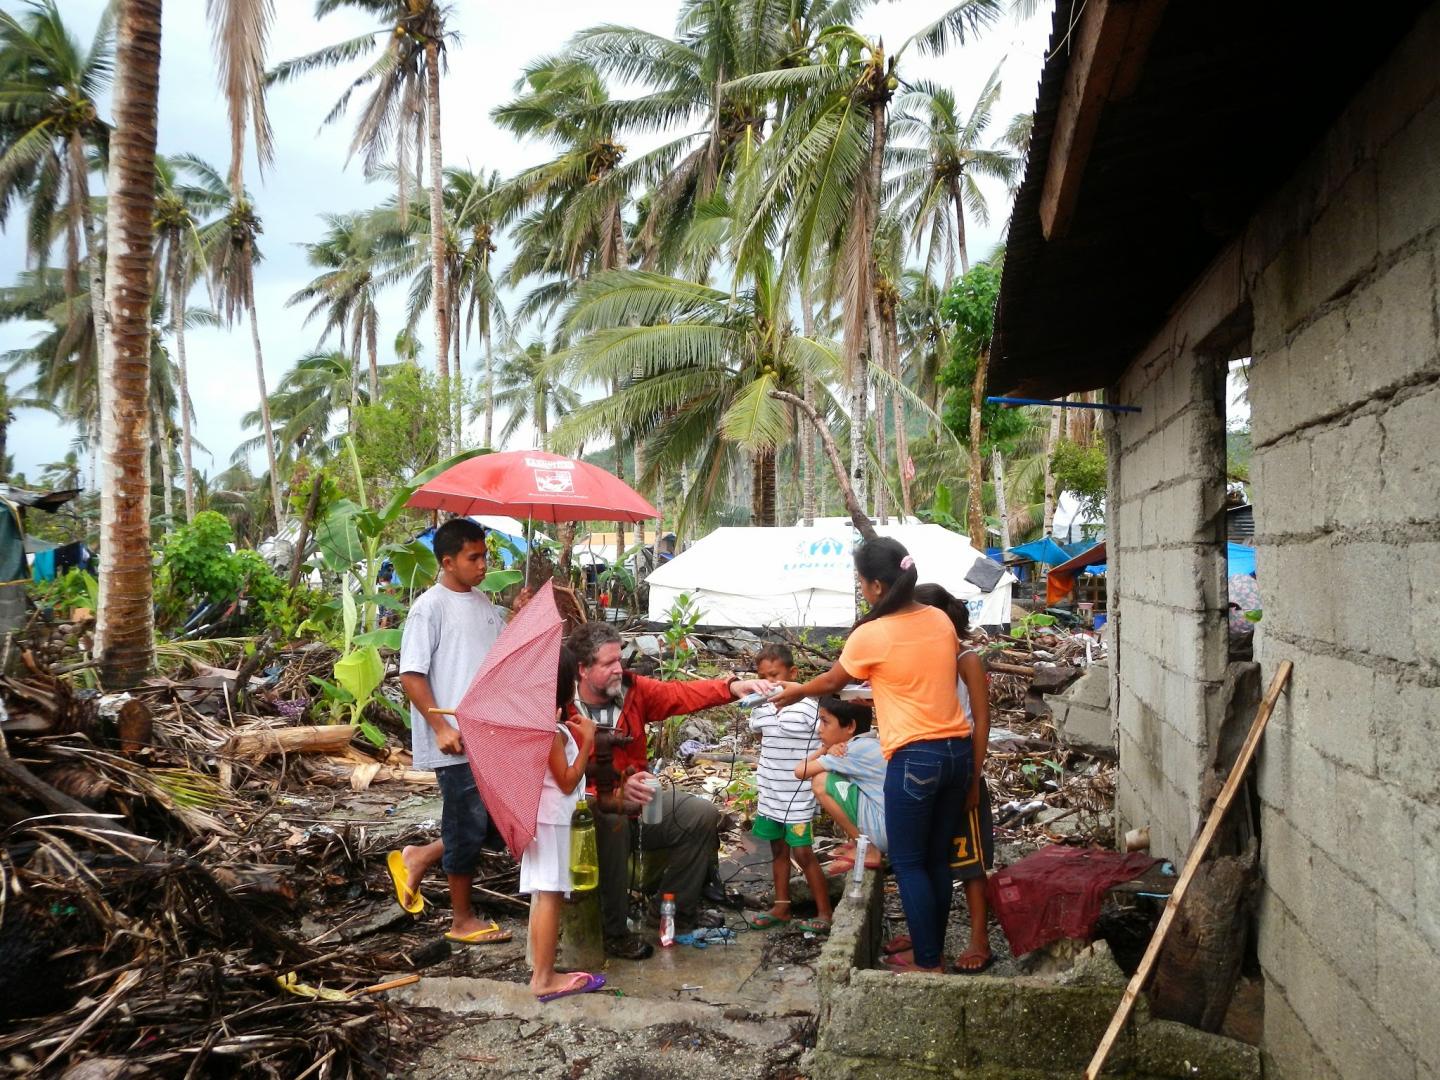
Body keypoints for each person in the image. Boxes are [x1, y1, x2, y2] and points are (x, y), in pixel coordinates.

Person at [771, 537, 973, 973]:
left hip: (916, 756)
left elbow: (831, 682)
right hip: (957, 754)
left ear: (878, 586)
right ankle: (929, 950)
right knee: (936, 859)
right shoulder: (939, 619)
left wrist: (795, 691)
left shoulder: (872, 633)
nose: (862, 590)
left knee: (909, 861)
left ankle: (927, 963)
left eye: (862, 583)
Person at [565, 621, 777, 959]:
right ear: (583, 669)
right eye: (607, 664)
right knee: (609, 822)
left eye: (619, 660)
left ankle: (672, 912)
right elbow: (558, 776)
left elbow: (680, 693)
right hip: (589, 811)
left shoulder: (633, 690)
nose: (618, 668)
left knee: (700, 814)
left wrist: (732, 686)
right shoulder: (562, 706)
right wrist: (609, 791)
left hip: (641, 802)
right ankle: (613, 931)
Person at [392, 518, 512, 945]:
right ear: (447, 561)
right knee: (466, 825)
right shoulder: (430, 607)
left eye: (485, 556)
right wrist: (441, 727)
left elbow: (500, 657)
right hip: (456, 740)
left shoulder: (484, 604)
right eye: (473, 557)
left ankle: (420, 855)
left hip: (490, 736)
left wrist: (520, 613)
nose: (482, 565)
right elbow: (411, 675)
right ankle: (461, 920)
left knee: (496, 823)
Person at [915, 582, 996, 974]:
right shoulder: (920, 659)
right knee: (933, 857)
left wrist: (973, 778)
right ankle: (930, 935)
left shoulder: (966, 659)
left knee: (970, 859)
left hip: (961, 768)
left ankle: (980, 937)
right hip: (928, 769)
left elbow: (982, 721)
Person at [523, 645, 607, 1001]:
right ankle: (543, 977)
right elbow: (568, 780)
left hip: (546, 818)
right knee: (550, 895)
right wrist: (586, 740)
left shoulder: (541, 723)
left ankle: (544, 971)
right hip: (552, 821)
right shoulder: (549, 732)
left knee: (548, 894)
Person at [746, 644, 831, 933]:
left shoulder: (810, 705)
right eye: (762, 676)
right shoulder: (759, 706)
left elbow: (828, 742)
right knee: (778, 849)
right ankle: (782, 906)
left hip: (798, 794)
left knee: (803, 854)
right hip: (770, 791)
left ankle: (824, 913)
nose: (768, 682)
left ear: (792, 673)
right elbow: (763, 740)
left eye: (774, 675)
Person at [796, 696, 886, 873]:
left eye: (825, 722)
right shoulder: (868, 742)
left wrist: (823, 749)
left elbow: (800, 771)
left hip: (884, 831)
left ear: (850, 726)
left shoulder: (851, 750)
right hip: (891, 826)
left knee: (821, 781)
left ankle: (867, 849)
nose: (819, 730)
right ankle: (857, 842)